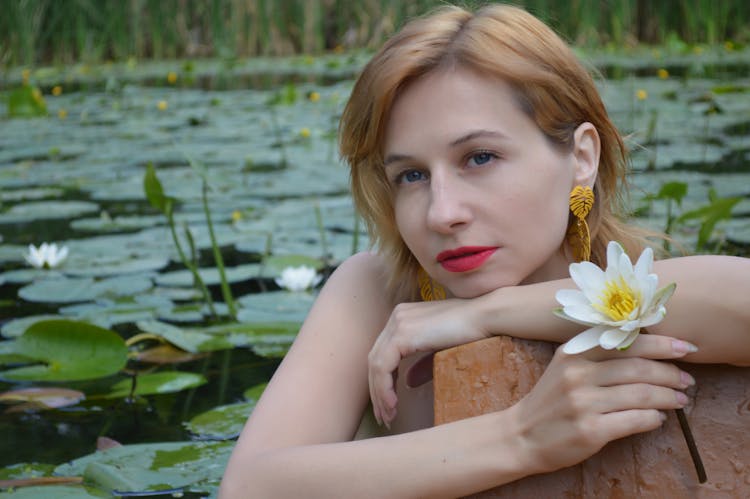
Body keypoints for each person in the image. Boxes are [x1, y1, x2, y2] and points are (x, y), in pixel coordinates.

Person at [219, 4, 750, 497]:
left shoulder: (666, 287)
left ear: (581, 157)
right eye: (411, 175)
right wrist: (521, 438)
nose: (440, 213)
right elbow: (249, 487)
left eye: (479, 158)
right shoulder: (375, 292)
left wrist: (482, 313)